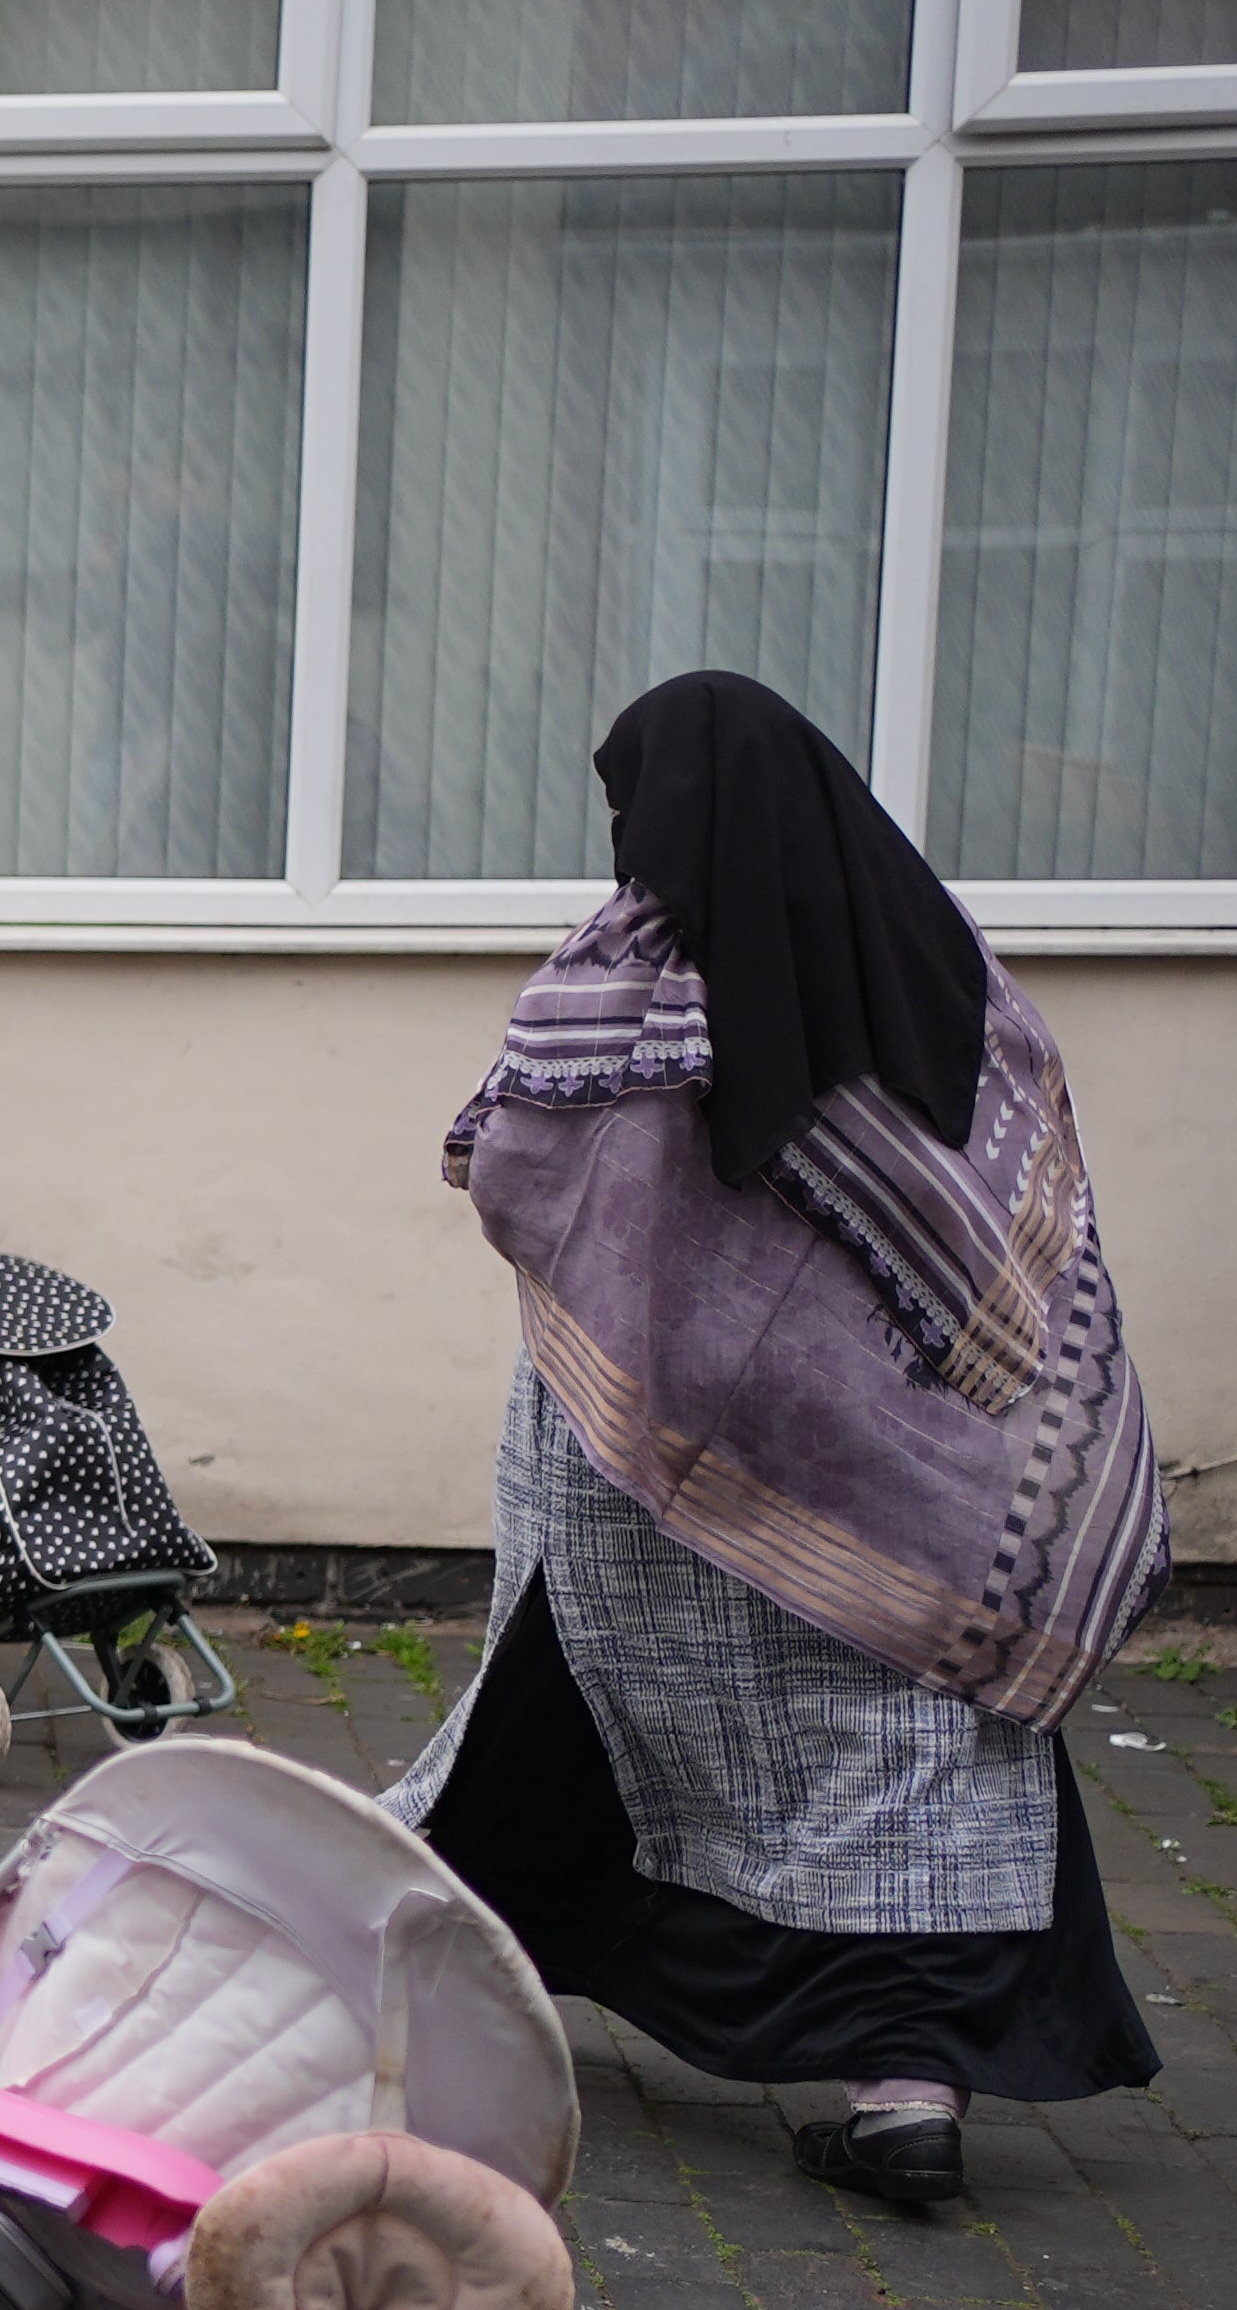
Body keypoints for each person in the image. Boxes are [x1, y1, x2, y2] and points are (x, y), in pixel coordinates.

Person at [385, 671, 1167, 2206]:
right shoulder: (955, 974)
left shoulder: (629, 982)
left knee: (578, 1697)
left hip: (655, 1465)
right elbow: (1024, 1222)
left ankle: (420, 1968)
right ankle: (905, 2096)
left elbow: (514, 1171)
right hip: (928, 1484)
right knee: (924, 1755)